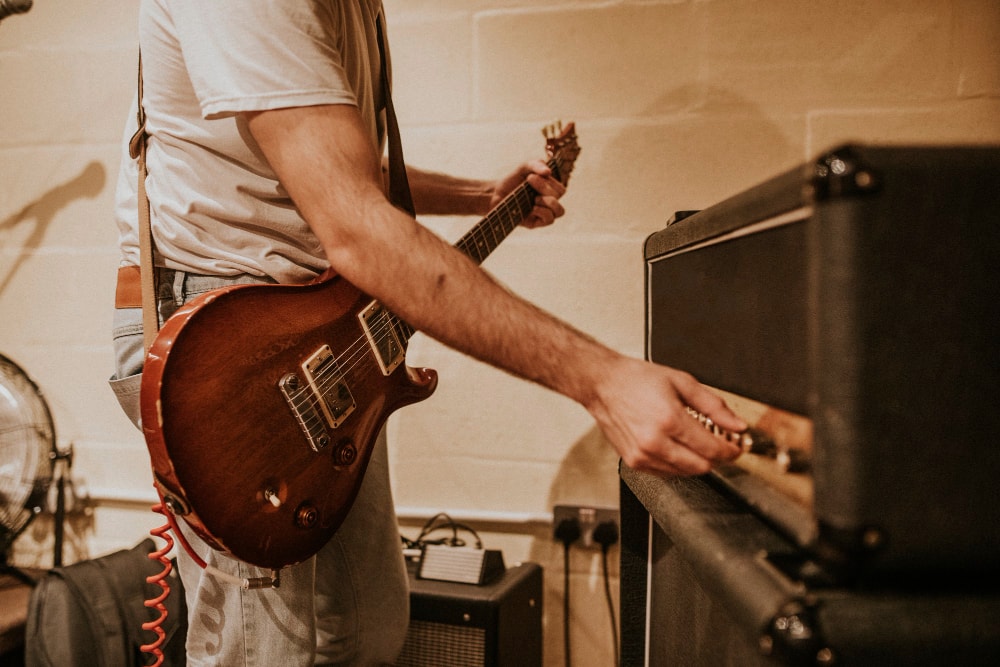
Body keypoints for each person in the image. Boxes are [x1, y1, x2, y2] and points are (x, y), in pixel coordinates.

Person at [108, 1, 745, 665]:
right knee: (267, 651)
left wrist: (483, 196)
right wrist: (603, 379)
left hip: (317, 327)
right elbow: (358, 229)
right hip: (228, 333)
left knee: (368, 627)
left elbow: (329, 167)